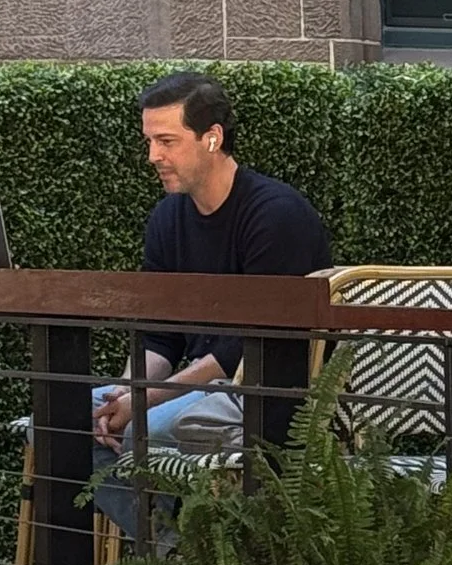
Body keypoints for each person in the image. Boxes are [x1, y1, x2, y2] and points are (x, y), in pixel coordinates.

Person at [91, 73, 332, 502]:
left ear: (212, 138)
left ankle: (185, 560)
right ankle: (173, 556)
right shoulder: (167, 219)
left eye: (167, 142)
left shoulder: (276, 216)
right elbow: (160, 337)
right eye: (149, 142)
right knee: (61, 424)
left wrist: (144, 402)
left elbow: (244, 347)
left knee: (148, 434)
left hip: (265, 395)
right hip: (196, 389)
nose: (152, 156)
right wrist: (125, 393)